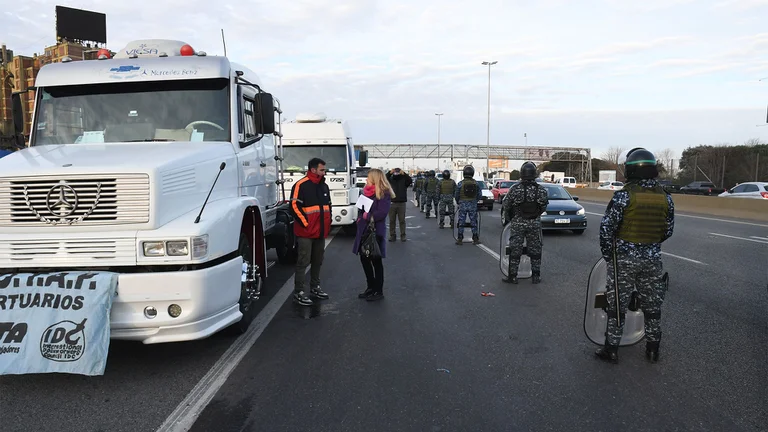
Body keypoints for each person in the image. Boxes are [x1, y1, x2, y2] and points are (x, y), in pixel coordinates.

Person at [595, 147, 675, 364]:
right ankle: (652, 349)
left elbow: (606, 229)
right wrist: (649, 246)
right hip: (652, 258)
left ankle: (611, 349)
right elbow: (668, 231)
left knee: (617, 306)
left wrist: (610, 255)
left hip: (623, 258)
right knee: (652, 305)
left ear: (630, 170)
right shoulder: (665, 198)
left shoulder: (624, 196)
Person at [290, 157, 332, 306]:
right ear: (313, 170)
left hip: (320, 232)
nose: (324, 172)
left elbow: (328, 206)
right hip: (306, 233)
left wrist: (329, 222)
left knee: (317, 261)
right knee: (303, 261)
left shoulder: (324, 186)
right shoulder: (301, 185)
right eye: (322, 169)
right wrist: (306, 224)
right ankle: (299, 292)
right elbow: (294, 206)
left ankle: (315, 287)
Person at [501, 161, 548, 284]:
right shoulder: (541, 190)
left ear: (522, 173)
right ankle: (536, 276)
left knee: (515, 249)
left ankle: (513, 277)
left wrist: (511, 217)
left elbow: (506, 205)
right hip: (534, 223)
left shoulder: (515, 189)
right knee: (535, 250)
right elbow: (544, 207)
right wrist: (535, 215)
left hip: (518, 223)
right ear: (534, 174)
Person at [352, 168, 394, 301]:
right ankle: (370, 287)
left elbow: (382, 213)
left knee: (376, 260)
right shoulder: (365, 192)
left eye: (368, 177)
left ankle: (378, 291)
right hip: (363, 230)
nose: (366, 179)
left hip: (375, 230)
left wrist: (368, 216)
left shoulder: (384, 193)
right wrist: (360, 217)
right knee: (364, 259)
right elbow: (360, 208)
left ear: (375, 178)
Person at [453, 165, 482, 245]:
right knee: (474, 222)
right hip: (473, 205)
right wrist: (475, 201)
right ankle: (475, 238)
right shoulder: (476, 183)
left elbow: (456, 195)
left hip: (463, 205)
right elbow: (479, 195)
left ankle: (460, 239)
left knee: (461, 221)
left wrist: (459, 202)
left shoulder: (460, 184)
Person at [386, 168, 412, 242]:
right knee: (392, 220)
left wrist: (404, 173)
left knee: (402, 220)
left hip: (401, 203)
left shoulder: (403, 180)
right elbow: (384, 178)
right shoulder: (390, 180)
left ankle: (403, 235)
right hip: (392, 202)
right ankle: (392, 235)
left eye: (397, 172)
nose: (396, 173)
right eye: (395, 172)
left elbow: (410, 180)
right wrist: (390, 172)